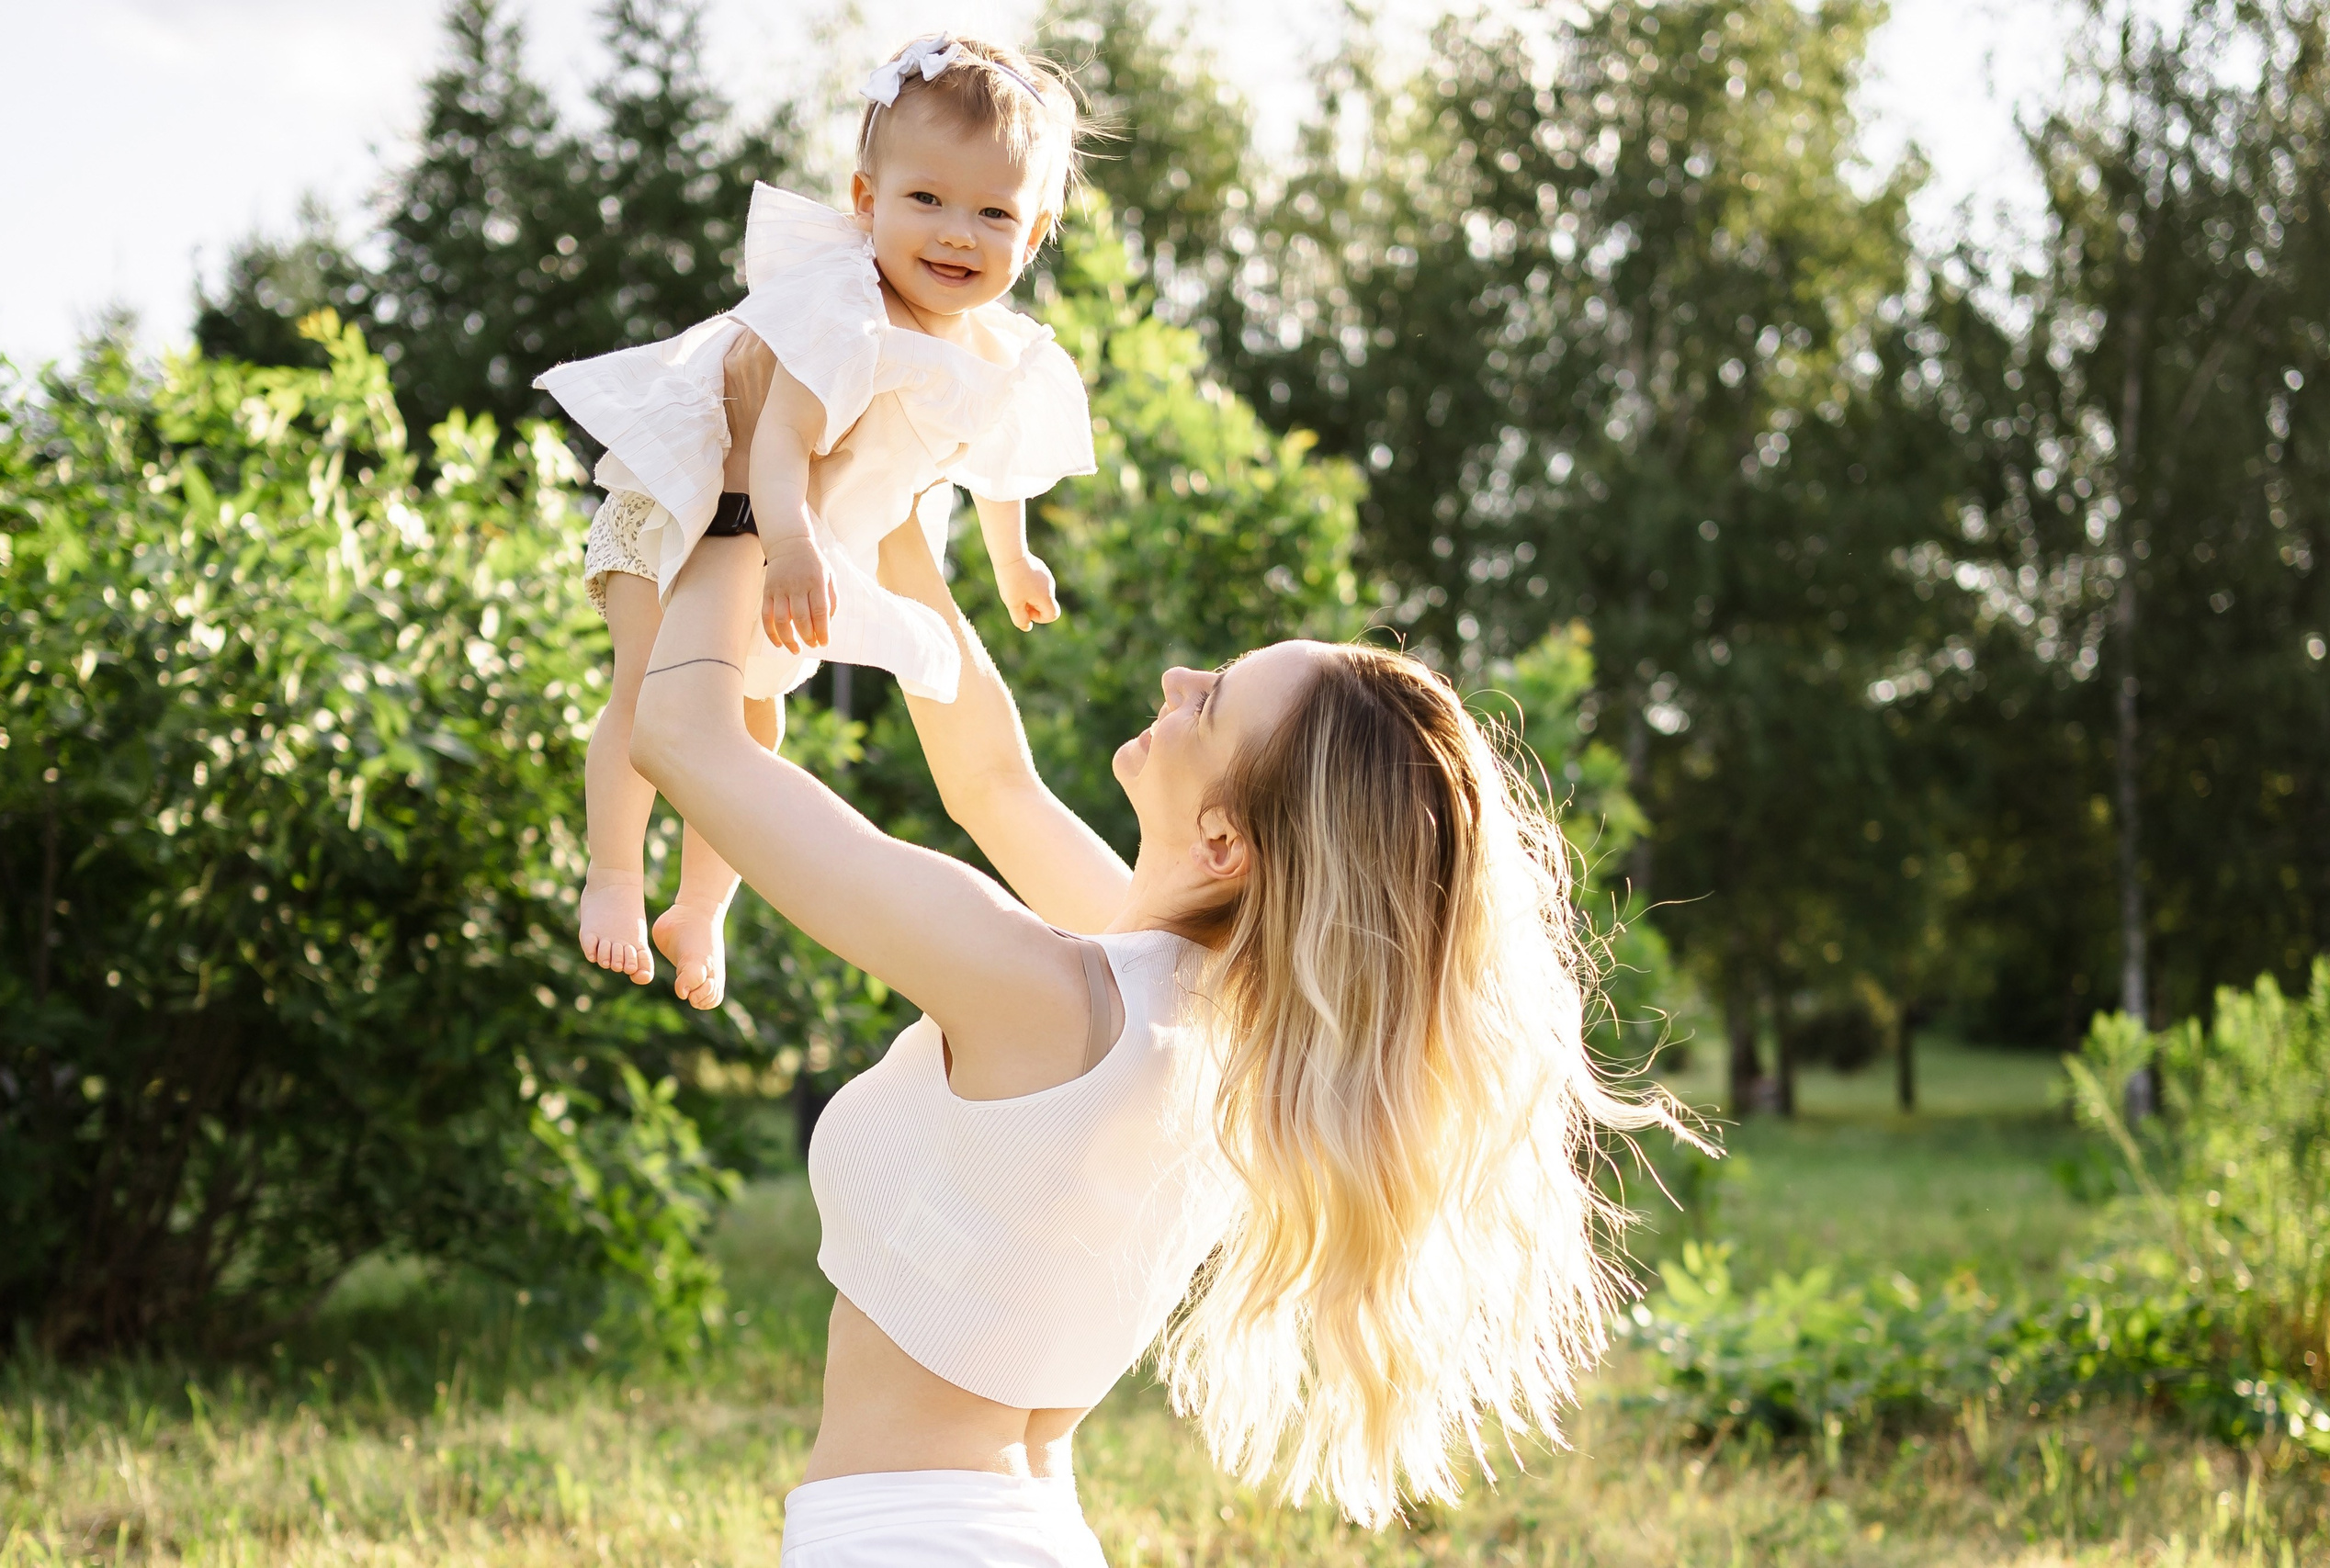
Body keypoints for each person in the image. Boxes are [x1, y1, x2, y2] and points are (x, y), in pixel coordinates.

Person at [626, 392, 1690, 1562]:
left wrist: (738, 484)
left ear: (1226, 842)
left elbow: (681, 736)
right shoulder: (1216, 1023)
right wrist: (898, 498)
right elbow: (993, 782)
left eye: (1214, 698)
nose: (1179, 676)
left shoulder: (1043, 993)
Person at [536, 33, 1095, 1009]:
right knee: (649, 696)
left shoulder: (1001, 352)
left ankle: (702, 906)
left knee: (755, 726)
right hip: (692, 508)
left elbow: (994, 462)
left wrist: (1014, 563)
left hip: (789, 543)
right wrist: (790, 544)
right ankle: (615, 876)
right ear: (867, 200)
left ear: (1035, 233)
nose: (958, 233)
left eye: (993, 213)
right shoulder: (844, 307)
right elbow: (781, 440)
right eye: (927, 199)